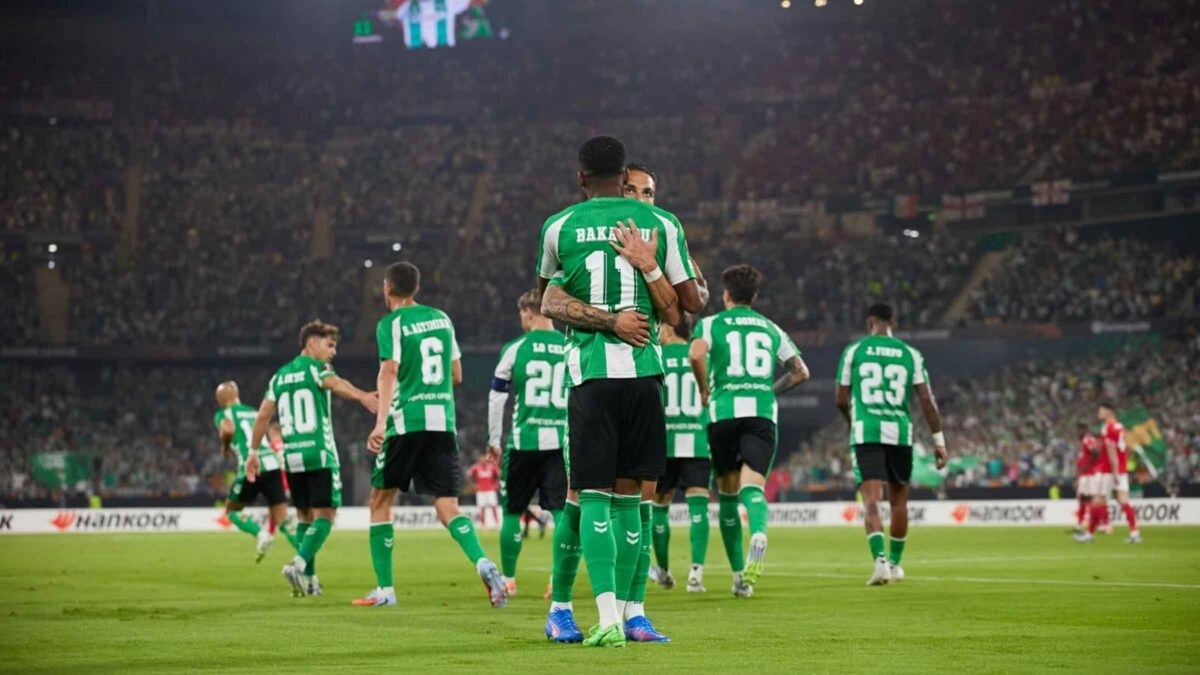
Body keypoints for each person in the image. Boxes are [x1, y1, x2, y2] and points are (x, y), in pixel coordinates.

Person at [536, 135, 703, 647]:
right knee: (590, 499)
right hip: (604, 374)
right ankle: (569, 608)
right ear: (623, 180)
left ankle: (628, 613)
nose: (643, 198)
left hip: (615, 377)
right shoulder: (665, 223)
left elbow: (550, 298)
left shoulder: (559, 226)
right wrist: (614, 320)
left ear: (580, 175)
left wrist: (647, 267)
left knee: (620, 500)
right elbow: (688, 305)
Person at [355, 261, 508, 608]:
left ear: (387, 289)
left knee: (380, 502)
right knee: (448, 507)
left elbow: (388, 372)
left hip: (406, 421)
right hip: (443, 423)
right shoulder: (442, 319)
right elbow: (455, 374)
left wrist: (380, 422)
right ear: (417, 288)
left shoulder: (390, 324)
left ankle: (385, 591)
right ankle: (483, 562)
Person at [689, 265, 810, 597]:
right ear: (754, 297)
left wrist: (703, 389)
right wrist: (769, 391)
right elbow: (801, 373)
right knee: (752, 488)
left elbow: (695, 353)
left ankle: (739, 575)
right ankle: (758, 533)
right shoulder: (770, 328)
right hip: (760, 414)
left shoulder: (711, 324)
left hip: (723, 413)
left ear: (726, 294)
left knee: (726, 494)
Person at [248, 321, 378, 597]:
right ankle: (298, 564)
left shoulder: (279, 376)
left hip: (292, 456)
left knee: (305, 516)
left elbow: (262, 416)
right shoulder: (318, 369)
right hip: (319, 453)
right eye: (329, 345)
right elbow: (335, 383)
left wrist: (253, 453)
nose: (333, 352)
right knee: (327, 516)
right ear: (311, 344)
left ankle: (309, 582)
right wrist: (362, 396)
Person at [835, 303, 947, 586]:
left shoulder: (854, 351)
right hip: (900, 434)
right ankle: (896, 565)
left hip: (867, 432)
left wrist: (854, 422)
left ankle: (880, 563)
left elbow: (840, 398)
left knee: (872, 500)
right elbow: (926, 401)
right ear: (892, 324)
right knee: (899, 502)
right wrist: (939, 441)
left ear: (870, 322)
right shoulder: (911, 354)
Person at [487, 290, 569, 597]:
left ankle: (508, 579)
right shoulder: (570, 346)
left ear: (529, 313)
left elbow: (497, 399)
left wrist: (494, 441)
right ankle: (557, 580)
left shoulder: (515, 349)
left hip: (523, 443)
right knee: (562, 512)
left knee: (512, 511)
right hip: (561, 444)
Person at [649, 319, 712, 593]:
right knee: (698, 509)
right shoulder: (700, 357)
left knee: (659, 508)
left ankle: (663, 571)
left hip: (663, 444)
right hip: (697, 441)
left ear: (670, 328)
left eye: (660, 327)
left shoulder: (655, 355)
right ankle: (696, 573)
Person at [213, 381, 296, 561]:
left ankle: (261, 534)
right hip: (272, 463)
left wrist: (225, 446)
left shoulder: (223, 414)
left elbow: (227, 429)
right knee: (282, 517)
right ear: (237, 395)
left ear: (220, 399)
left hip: (252, 466)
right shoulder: (252, 411)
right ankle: (305, 554)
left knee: (232, 510)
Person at [1080, 403, 1141, 544]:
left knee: (1097, 501)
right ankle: (1134, 532)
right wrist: (1121, 467)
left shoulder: (1108, 428)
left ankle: (1089, 535)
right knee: (1124, 500)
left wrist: (1114, 472)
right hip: (1121, 470)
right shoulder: (1120, 427)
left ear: (1109, 411)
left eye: (1100, 410)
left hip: (1109, 470)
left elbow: (1111, 450)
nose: (1098, 413)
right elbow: (1126, 448)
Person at [1073, 423, 1098, 535]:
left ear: (1084, 430)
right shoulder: (1084, 442)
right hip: (1085, 475)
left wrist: (1088, 466)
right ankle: (1080, 524)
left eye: (1079, 430)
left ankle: (1098, 523)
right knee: (1083, 499)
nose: (1077, 433)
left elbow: (1095, 453)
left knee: (1090, 499)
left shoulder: (1088, 439)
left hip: (1089, 475)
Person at [468, 453, 501, 530]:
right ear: (479, 460)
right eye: (481, 459)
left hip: (490, 490)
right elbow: (469, 476)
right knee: (482, 508)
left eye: (484, 459)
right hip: (481, 491)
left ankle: (497, 524)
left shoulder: (492, 467)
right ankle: (483, 525)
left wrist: (496, 483)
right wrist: (473, 485)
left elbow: (499, 474)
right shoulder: (475, 467)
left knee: (494, 507)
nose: (483, 460)